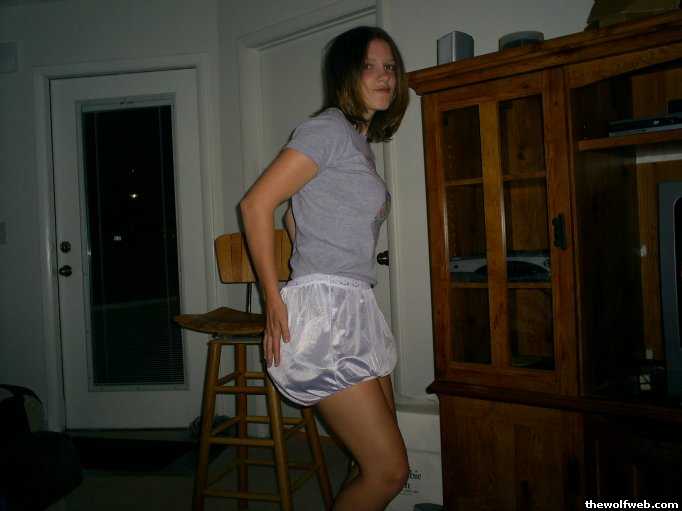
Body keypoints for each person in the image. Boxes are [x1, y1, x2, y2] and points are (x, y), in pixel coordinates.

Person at [240, 25, 409, 510]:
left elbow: (292, 216)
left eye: (390, 67)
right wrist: (275, 300)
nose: (384, 76)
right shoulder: (328, 130)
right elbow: (256, 205)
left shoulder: (358, 143)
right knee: (388, 472)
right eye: (369, 66)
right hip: (327, 314)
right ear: (345, 75)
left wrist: (309, 248)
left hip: (355, 305)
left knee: (374, 463)